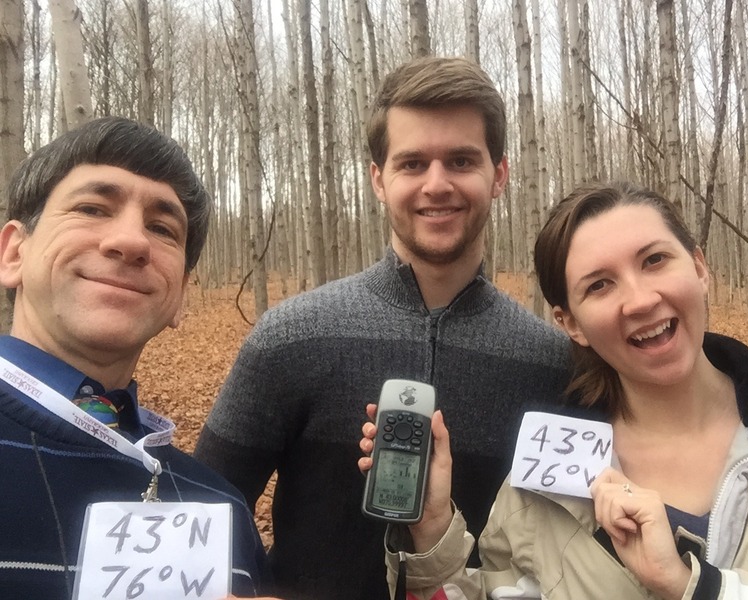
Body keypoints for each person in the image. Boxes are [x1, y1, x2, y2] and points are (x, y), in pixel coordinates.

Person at [194, 56, 571, 600]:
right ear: (378, 179)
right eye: (412, 163)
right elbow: (204, 511)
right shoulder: (291, 337)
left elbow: (574, 554)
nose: (436, 184)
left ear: (500, 175)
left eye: (462, 160)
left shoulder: (552, 364)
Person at [360, 181, 748, 599]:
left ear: (699, 268)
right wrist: (433, 529)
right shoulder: (540, 485)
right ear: (571, 324)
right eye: (599, 285)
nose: (641, 300)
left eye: (654, 260)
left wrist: (688, 585)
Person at [0, 117, 278, 599]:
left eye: (162, 228)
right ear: (13, 253)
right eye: (91, 207)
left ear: (180, 296)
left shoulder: (221, 510)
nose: (132, 242)